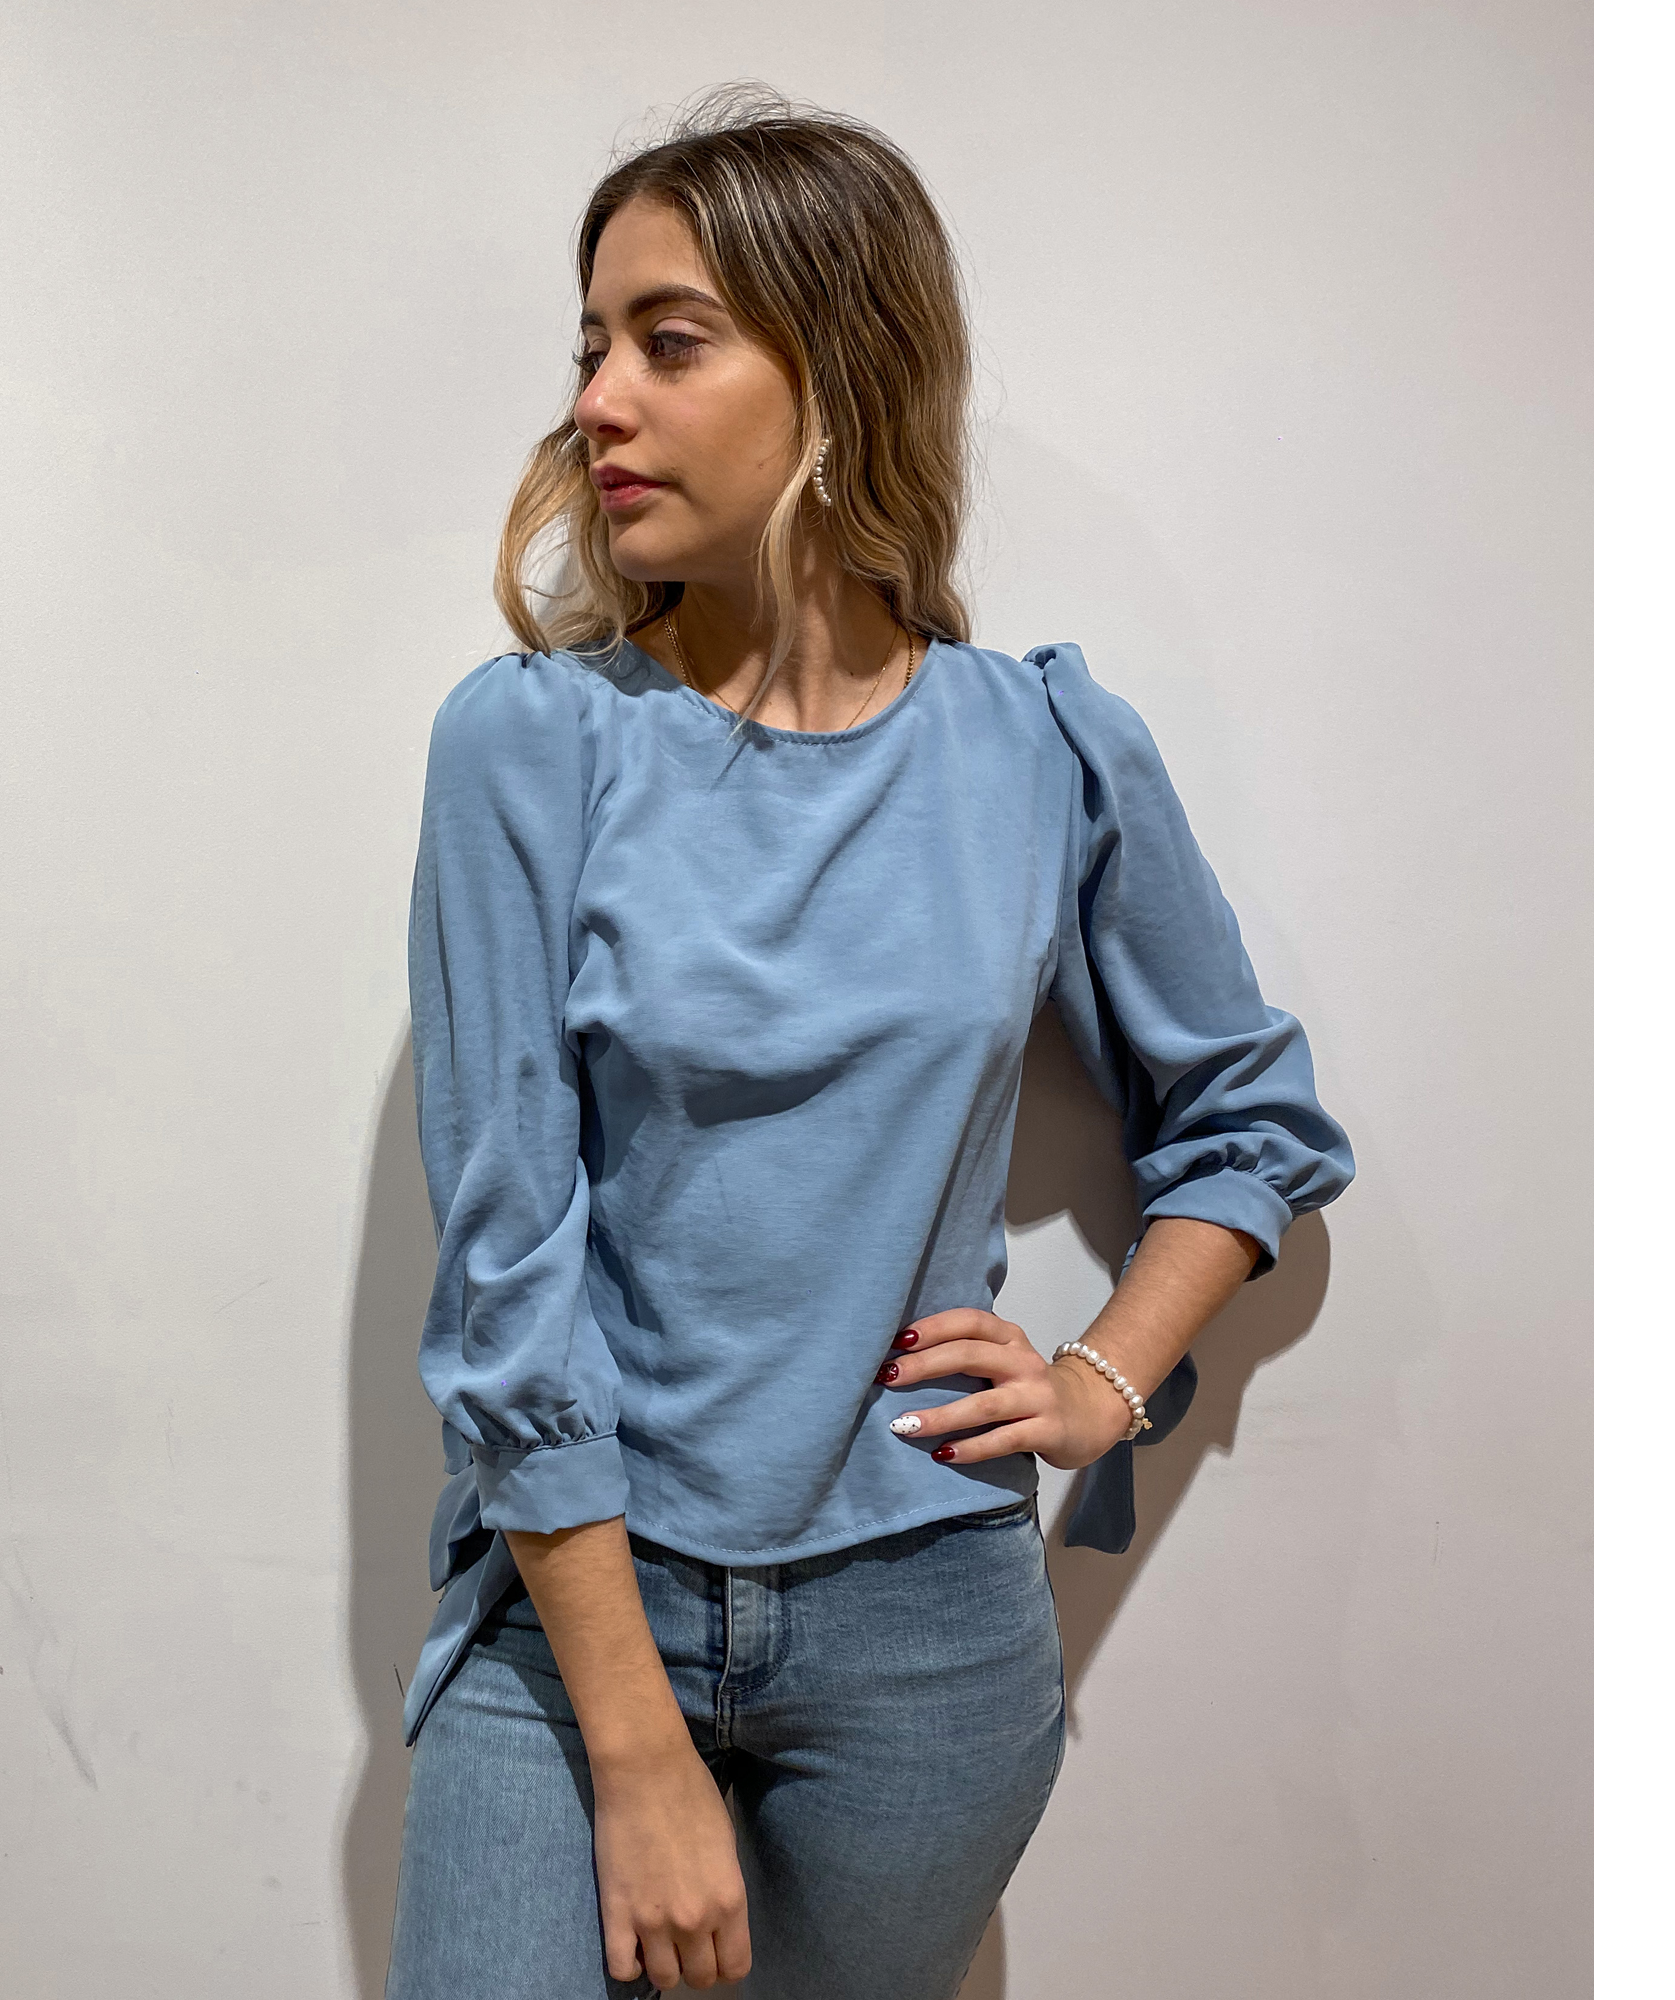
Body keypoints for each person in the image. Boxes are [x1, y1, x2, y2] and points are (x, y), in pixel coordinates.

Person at [383, 85, 1354, 2000]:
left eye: (670, 342)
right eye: (590, 348)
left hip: (927, 1633)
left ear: (840, 368)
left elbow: (1249, 1119)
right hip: (582, 1613)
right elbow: (505, 1272)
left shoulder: (1042, 746)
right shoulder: (532, 745)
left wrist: (1102, 1378)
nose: (598, 404)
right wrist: (638, 1754)